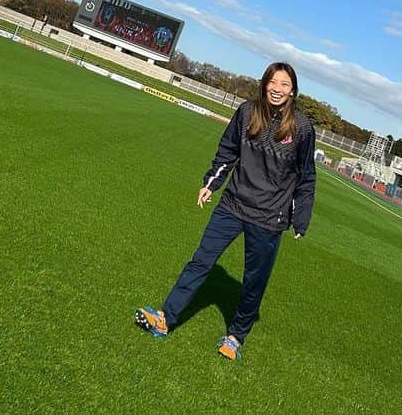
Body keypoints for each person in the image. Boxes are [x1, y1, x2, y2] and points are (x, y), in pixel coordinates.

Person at [134, 62, 316, 361]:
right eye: (272, 81)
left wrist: (301, 216)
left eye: (284, 84)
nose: (276, 88)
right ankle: (165, 318)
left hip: (269, 217)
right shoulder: (247, 112)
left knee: (253, 281)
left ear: (293, 90)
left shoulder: (302, 127)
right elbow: (228, 151)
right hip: (232, 205)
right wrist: (211, 183)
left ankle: (235, 337)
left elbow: (306, 175)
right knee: (200, 262)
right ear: (264, 83)